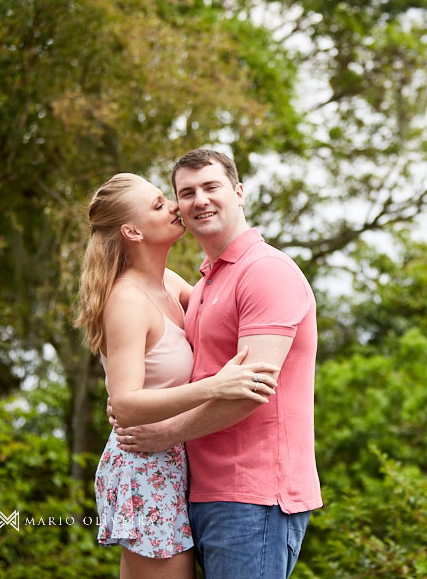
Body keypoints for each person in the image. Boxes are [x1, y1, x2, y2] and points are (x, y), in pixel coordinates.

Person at [114, 150, 322, 579]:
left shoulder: (266, 272)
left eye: (211, 187)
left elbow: (251, 392)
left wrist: (163, 434)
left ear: (239, 193)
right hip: (200, 490)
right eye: (186, 193)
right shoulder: (208, 280)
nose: (200, 200)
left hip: (254, 496)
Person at [75, 173, 281, 579]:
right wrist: (215, 386)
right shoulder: (127, 300)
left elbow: (220, 307)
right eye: (158, 205)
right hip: (146, 464)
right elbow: (127, 404)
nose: (174, 206)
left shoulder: (169, 283)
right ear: (132, 231)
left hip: (176, 459)